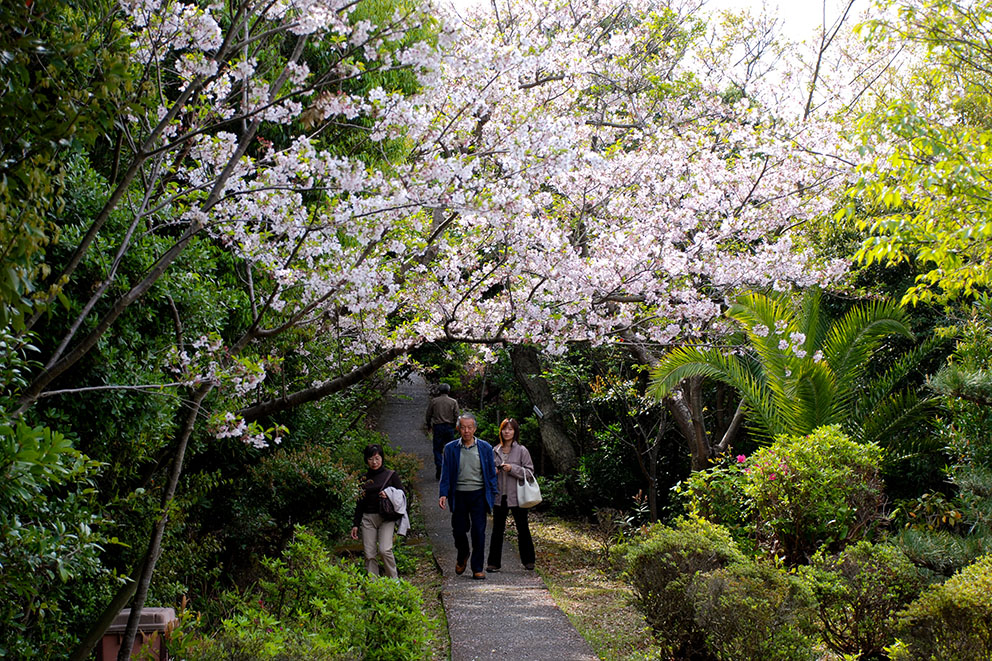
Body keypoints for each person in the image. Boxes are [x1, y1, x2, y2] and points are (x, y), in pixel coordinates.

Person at [438, 412, 498, 579]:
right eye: (463, 427)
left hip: (478, 494)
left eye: (469, 427)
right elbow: (446, 473)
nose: (466, 431)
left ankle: (477, 568)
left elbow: (491, 474)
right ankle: (463, 553)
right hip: (459, 494)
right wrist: (443, 493)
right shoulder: (450, 448)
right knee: (458, 530)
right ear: (458, 429)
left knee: (479, 531)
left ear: (475, 428)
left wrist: (493, 495)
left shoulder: (485, 447)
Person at [486, 418, 536, 572]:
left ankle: (528, 561)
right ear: (500, 431)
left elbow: (530, 472)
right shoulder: (495, 450)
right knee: (497, 530)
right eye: (504, 429)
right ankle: (493, 563)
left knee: (523, 528)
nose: (507, 432)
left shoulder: (522, 450)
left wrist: (512, 469)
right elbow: (487, 472)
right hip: (499, 497)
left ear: (515, 432)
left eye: (510, 429)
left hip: (518, 497)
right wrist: (493, 472)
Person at [350, 444, 404, 578]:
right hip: (368, 518)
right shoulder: (363, 479)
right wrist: (356, 524)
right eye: (371, 459)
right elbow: (360, 503)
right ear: (366, 460)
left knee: (385, 550)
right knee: (369, 554)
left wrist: (389, 494)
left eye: (377, 458)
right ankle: (373, 586)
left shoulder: (391, 475)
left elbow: (402, 495)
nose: (374, 462)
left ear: (382, 458)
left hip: (386, 518)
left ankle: (393, 581)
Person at [425, 383, 459, 480]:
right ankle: (449, 469)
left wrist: (429, 425)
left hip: (438, 427)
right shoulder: (453, 402)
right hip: (449, 427)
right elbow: (456, 415)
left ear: (439, 391)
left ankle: (439, 465)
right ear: (449, 391)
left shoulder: (434, 401)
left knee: (437, 449)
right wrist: (455, 426)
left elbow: (428, 414)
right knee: (450, 449)